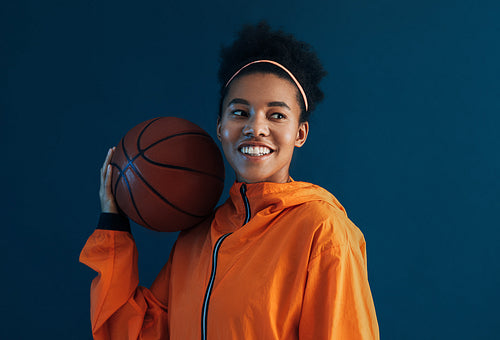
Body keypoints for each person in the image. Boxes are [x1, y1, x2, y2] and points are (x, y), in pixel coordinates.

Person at [80, 21, 379, 339]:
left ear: (300, 133)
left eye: (276, 115)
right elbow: (129, 334)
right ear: (220, 125)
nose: (255, 127)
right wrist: (113, 226)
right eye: (240, 112)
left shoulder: (323, 231)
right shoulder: (196, 238)